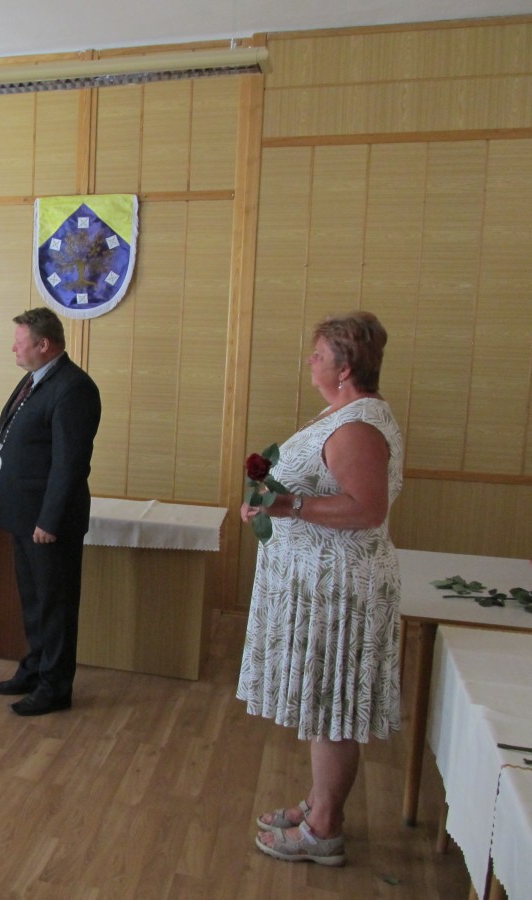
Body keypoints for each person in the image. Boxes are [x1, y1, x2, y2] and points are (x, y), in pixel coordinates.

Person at [237, 311, 404, 867]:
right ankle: (319, 804)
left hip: (341, 594)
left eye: (319, 355)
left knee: (332, 708)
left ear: (345, 367)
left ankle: (323, 831)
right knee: (322, 704)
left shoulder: (358, 426)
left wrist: (288, 505)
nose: (310, 361)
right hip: (322, 588)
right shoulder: (346, 414)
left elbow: (366, 509)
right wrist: (267, 501)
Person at [0, 307, 102, 716]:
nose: (13, 348)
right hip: (24, 516)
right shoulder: (36, 379)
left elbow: (69, 464)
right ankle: (34, 670)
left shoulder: (74, 388)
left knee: (56, 607)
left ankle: (55, 687)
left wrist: (49, 520)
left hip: (48, 522)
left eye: (19, 342)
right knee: (35, 603)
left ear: (44, 345)